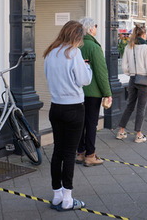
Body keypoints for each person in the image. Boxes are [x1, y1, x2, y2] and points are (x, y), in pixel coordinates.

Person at [43, 20, 92, 211]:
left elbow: (49, 77)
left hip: (56, 107)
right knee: (70, 153)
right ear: (77, 36)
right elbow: (84, 80)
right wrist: (87, 67)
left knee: (58, 152)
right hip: (73, 108)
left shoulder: (50, 53)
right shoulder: (74, 53)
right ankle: (68, 199)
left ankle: (56, 195)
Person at [76, 17, 112, 167]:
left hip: (78, 91)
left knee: (80, 123)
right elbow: (101, 73)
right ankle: (90, 155)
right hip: (93, 92)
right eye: (95, 26)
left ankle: (80, 153)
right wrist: (107, 93)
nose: (96, 29)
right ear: (91, 29)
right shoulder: (94, 47)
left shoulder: (76, 45)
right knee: (91, 124)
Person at [116, 24, 147, 143]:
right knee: (141, 108)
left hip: (132, 79)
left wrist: (131, 73)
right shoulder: (146, 48)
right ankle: (138, 135)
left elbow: (124, 66)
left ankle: (121, 131)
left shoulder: (129, 46)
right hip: (144, 80)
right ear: (143, 35)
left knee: (130, 105)